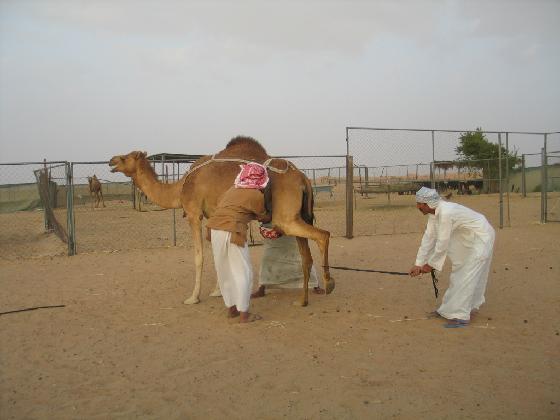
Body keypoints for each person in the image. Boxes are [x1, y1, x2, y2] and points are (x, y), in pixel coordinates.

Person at [409, 187, 495, 328]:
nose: (418, 207)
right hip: (465, 237)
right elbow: (428, 238)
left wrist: (429, 265)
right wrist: (418, 264)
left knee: (468, 275)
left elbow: (442, 243)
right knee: (459, 273)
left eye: (420, 204)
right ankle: (447, 310)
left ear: (429, 203)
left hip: (480, 237)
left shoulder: (446, 212)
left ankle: (461, 316)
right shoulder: (433, 214)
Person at [206, 162, 271, 323]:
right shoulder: (256, 195)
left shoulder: (231, 190)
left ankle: (231, 309)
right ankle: (244, 314)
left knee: (224, 270)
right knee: (243, 271)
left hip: (214, 230)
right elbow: (264, 217)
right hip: (233, 231)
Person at [251, 225, 324, 298]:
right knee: (268, 259)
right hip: (272, 228)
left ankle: (315, 284)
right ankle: (262, 287)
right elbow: (262, 215)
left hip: (291, 226)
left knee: (299, 257)